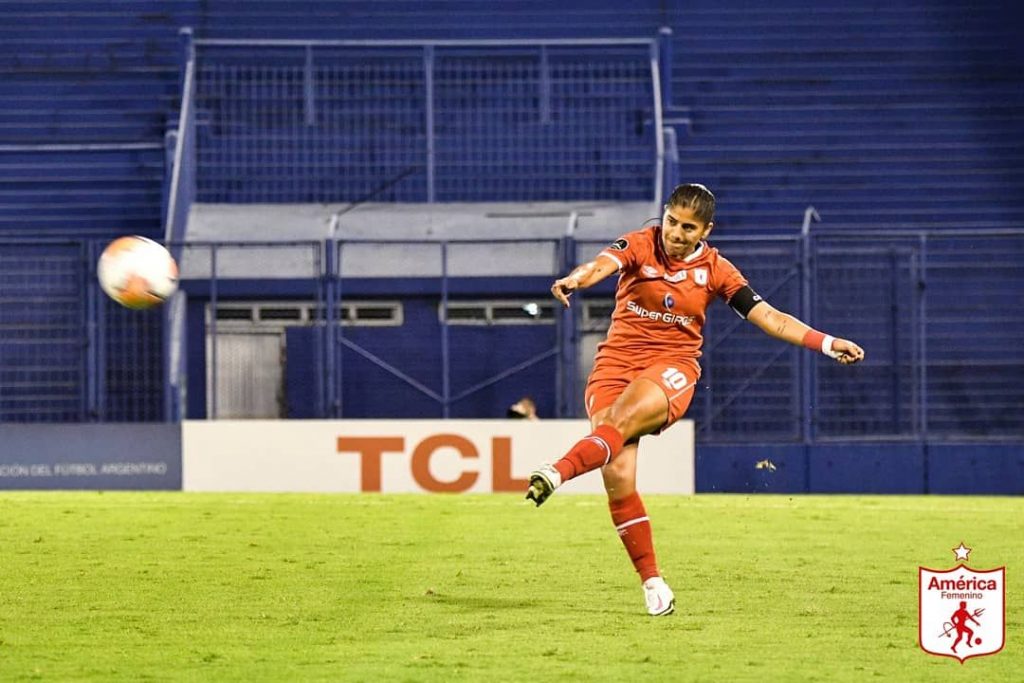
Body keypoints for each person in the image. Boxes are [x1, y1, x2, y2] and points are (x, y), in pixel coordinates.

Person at [525, 183, 865, 616]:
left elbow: (772, 319)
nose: (676, 233)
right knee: (618, 474)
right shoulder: (639, 243)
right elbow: (602, 264)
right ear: (663, 216)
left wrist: (827, 342)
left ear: (706, 229)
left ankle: (557, 471)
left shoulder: (717, 269)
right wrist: (576, 278)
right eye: (671, 222)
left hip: (672, 369)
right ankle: (653, 584)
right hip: (613, 367)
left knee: (626, 416)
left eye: (688, 227)